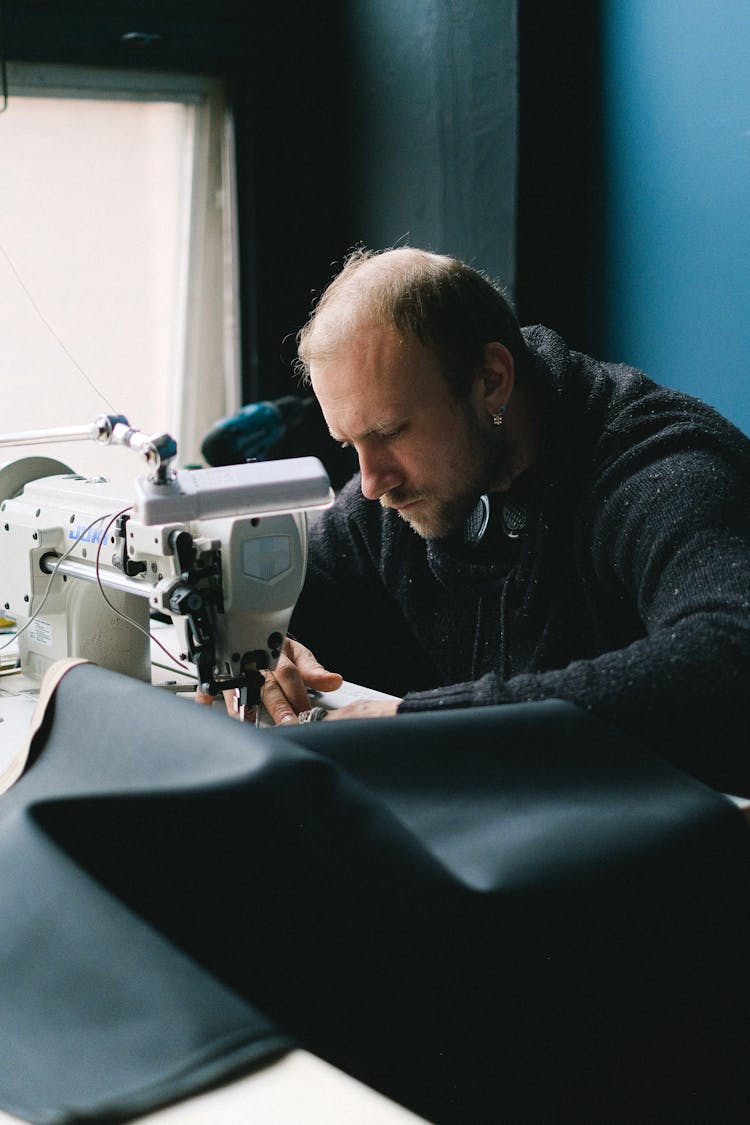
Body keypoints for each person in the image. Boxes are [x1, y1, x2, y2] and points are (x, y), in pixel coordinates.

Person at [226, 246, 750, 794]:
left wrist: (435, 724)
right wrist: (266, 641)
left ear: (492, 379)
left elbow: (729, 655)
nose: (372, 482)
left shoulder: (661, 469)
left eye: (389, 433)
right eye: (350, 443)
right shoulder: (396, 494)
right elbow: (296, 595)